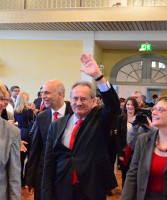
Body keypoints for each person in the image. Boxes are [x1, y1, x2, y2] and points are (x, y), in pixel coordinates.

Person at [41, 53, 120, 200]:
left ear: (93, 100)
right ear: (69, 99)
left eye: (84, 99)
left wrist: (98, 76)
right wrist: (46, 193)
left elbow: (113, 106)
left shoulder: (99, 119)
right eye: (75, 98)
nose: (79, 103)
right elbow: (49, 162)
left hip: (91, 189)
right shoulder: (57, 125)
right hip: (62, 188)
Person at [25, 79, 72, 200]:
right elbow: (35, 149)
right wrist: (30, 179)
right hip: (44, 175)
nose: (43, 96)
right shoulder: (42, 116)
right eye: (42, 93)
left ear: (60, 94)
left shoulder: (73, 114)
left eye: (47, 93)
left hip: (67, 175)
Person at [115, 97, 139, 188]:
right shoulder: (121, 118)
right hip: (124, 151)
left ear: (135, 106)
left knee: (135, 174)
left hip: (136, 151)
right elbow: (117, 137)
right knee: (125, 174)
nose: (129, 106)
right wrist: (119, 153)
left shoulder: (139, 118)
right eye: (128, 104)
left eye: (132, 105)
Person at [14, 92, 36, 186]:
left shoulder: (16, 110)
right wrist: (34, 112)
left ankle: (19, 180)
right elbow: (35, 121)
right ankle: (27, 180)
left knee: (20, 159)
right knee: (29, 158)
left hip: (19, 132)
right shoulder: (29, 111)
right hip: (28, 133)